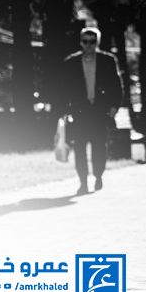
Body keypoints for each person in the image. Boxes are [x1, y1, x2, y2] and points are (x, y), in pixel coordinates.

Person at [61, 27, 124, 195]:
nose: (89, 45)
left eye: (92, 41)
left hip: (99, 111)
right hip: (80, 112)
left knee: (99, 146)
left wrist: (113, 108)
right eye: (85, 41)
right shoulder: (71, 62)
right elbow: (64, 89)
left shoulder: (108, 60)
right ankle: (83, 181)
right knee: (79, 147)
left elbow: (116, 87)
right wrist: (66, 111)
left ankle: (98, 176)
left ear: (97, 43)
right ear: (81, 42)